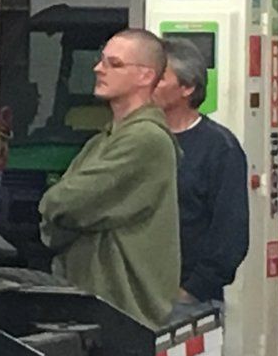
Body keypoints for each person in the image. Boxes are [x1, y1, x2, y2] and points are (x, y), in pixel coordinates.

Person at [37, 27, 180, 330]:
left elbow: (64, 202)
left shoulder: (145, 139)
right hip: (96, 304)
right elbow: (57, 204)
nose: (98, 69)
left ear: (145, 76)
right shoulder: (105, 139)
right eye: (101, 61)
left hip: (125, 311)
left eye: (114, 64)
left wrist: (59, 215)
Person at [155, 38, 249, 316]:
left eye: (160, 77)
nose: (148, 85)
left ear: (187, 87)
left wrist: (193, 290)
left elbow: (230, 232)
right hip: (138, 294)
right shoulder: (136, 139)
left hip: (188, 301)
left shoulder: (219, 147)